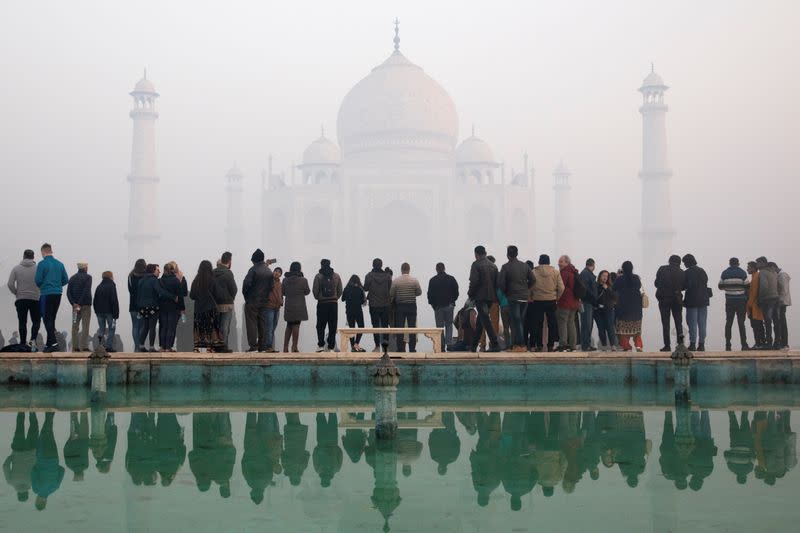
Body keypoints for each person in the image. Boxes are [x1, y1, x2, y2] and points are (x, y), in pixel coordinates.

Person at [498, 246, 535, 352]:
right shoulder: (525, 266)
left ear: (507, 255)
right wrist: (526, 289)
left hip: (513, 297)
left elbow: (501, 283)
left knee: (516, 321)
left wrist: (506, 292)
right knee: (520, 321)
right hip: (524, 297)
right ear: (517, 254)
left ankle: (520, 344)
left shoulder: (505, 267)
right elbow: (533, 279)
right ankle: (519, 344)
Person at [34, 244, 69, 353]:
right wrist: (57, 285)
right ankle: (49, 344)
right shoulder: (60, 264)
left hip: (46, 293)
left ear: (43, 252)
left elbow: (38, 280)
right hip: (58, 294)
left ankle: (53, 343)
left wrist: (44, 286)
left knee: (46, 318)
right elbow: (65, 279)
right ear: (51, 251)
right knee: (52, 318)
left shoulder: (42, 264)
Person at [468, 246, 501, 352]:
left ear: (476, 254)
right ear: (485, 253)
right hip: (491, 298)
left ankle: (495, 344)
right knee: (480, 321)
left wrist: (470, 294)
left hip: (480, 297)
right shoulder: (494, 266)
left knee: (485, 320)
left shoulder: (476, 264)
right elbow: (497, 284)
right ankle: (473, 346)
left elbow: (474, 281)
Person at [7, 249, 41, 351]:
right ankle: (32, 340)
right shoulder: (38, 268)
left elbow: (10, 284)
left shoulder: (16, 268)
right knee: (36, 321)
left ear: (23, 256)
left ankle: (22, 343)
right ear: (33, 257)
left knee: (22, 322)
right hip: (35, 299)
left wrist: (16, 293)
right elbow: (42, 282)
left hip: (21, 299)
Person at [530, 254, 564, 352]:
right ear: (549, 262)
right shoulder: (555, 272)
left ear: (539, 261)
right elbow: (561, 288)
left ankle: (539, 345)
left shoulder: (533, 272)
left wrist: (532, 295)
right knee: (552, 324)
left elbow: (530, 286)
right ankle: (550, 345)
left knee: (538, 324)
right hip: (551, 300)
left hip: (537, 300)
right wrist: (556, 297)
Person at [242, 249, 274, 352]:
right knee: (262, 324)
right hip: (264, 302)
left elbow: (246, 284)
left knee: (251, 323)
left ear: (254, 260)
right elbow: (271, 286)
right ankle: (262, 347)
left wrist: (246, 297)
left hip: (252, 301)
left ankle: (253, 346)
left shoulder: (253, 270)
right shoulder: (269, 271)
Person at [136, 264, 172, 352]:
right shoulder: (154, 280)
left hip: (142, 307)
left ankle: (141, 346)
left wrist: (138, 308)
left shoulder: (141, 280)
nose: (159, 272)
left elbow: (138, 295)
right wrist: (172, 296)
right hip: (152, 307)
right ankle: (151, 347)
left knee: (145, 327)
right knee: (152, 327)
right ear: (153, 271)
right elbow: (159, 291)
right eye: (157, 270)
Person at [190, 260, 224, 352]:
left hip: (198, 309)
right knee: (211, 327)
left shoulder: (196, 280)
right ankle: (210, 347)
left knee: (199, 327)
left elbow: (191, 296)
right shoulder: (213, 280)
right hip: (210, 309)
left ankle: (199, 347)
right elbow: (219, 295)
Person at [654, 255, 686, 352]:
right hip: (677, 300)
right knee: (678, 323)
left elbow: (656, 283)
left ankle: (667, 346)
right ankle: (680, 345)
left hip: (664, 300)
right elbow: (684, 287)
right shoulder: (682, 272)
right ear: (679, 262)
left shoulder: (662, 269)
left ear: (669, 261)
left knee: (665, 323)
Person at [718, 257, 750, 351]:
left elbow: (720, 286)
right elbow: (747, 286)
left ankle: (728, 345)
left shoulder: (725, 273)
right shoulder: (743, 273)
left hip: (729, 301)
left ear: (730, 263)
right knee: (741, 323)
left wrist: (729, 287)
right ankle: (744, 344)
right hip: (741, 301)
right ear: (738, 263)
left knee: (729, 322)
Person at [390, 263, 423, 352]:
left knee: (400, 328)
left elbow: (391, 294)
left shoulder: (396, 281)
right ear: (409, 269)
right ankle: (412, 348)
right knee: (412, 328)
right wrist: (412, 293)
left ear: (401, 270)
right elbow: (419, 292)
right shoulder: (414, 280)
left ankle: (400, 349)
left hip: (400, 307)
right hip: (411, 306)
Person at [427, 263, 460, 351]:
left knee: (439, 327)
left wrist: (433, 305)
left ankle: (441, 346)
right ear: (444, 268)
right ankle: (449, 344)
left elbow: (429, 295)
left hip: (438, 307)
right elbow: (456, 292)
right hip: (449, 305)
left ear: (436, 269)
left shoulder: (433, 280)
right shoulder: (451, 279)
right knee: (449, 325)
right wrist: (452, 302)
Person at [312, 259, 343, 353]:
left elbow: (315, 291)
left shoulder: (318, 276)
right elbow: (340, 290)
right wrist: (335, 298)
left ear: (321, 265)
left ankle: (321, 345)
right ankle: (331, 345)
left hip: (322, 303)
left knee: (320, 325)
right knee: (332, 325)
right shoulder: (336, 276)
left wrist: (319, 297)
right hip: (333, 304)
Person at [613, 261, 644, 352]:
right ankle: (638, 346)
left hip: (623, 308)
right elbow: (638, 287)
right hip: (636, 309)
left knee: (622, 331)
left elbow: (614, 288)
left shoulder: (620, 279)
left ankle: (627, 347)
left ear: (623, 269)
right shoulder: (636, 278)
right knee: (636, 330)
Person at [683, 254, 711, 352]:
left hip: (692, 300)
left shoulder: (687, 273)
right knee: (702, 323)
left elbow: (684, 286)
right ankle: (702, 344)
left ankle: (692, 344)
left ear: (687, 262)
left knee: (692, 323)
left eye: (684, 262)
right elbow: (705, 282)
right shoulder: (702, 271)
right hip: (703, 300)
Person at [364, 258, 392, 350]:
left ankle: (377, 346)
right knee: (385, 326)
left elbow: (366, 288)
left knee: (375, 326)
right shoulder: (388, 276)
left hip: (373, 305)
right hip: (385, 304)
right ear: (381, 265)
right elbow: (390, 289)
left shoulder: (369, 276)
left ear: (373, 265)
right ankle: (386, 346)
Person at [282, 262, 310, 352]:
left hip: (289, 305)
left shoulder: (285, 280)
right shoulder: (303, 280)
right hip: (299, 305)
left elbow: (283, 292)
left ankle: (285, 347)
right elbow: (307, 291)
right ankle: (294, 347)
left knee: (289, 325)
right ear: (299, 269)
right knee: (296, 325)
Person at [213, 252, 238, 353]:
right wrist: (230, 298)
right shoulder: (228, 273)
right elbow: (234, 289)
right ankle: (223, 347)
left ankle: (215, 347)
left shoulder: (212, 272)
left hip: (214, 304)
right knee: (225, 327)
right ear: (229, 261)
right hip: (227, 304)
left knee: (216, 326)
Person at [66, 262, 93, 352]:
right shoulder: (88, 277)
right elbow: (86, 291)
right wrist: (80, 304)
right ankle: (84, 347)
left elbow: (68, 293)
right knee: (85, 326)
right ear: (85, 268)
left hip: (75, 308)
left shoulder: (72, 278)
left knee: (74, 326)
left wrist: (74, 303)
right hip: (85, 306)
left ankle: (75, 347)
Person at [556, 255, 580, 352]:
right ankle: (573, 345)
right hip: (574, 303)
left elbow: (560, 287)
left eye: (561, 261)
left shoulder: (564, 273)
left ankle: (563, 345)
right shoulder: (574, 272)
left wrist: (557, 297)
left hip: (564, 302)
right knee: (571, 324)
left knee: (562, 323)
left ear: (567, 263)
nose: (559, 263)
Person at [158, 262, 184, 353]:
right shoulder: (175, 281)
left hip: (162, 307)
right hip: (173, 307)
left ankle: (162, 347)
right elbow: (180, 296)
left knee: (163, 327)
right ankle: (168, 348)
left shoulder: (160, 281)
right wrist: (182, 308)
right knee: (171, 328)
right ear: (172, 270)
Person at [93, 271, 120, 352]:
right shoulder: (112, 286)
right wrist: (116, 314)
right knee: (112, 329)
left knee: (101, 329)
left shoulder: (99, 286)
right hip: (110, 312)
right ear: (111, 277)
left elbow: (95, 300)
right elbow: (114, 300)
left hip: (99, 312)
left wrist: (96, 311)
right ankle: (108, 346)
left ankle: (100, 345)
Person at [756, 257, 779, 349]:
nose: (757, 265)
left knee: (768, 322)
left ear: (762, 263)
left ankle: (769, 343)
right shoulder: (773, 272)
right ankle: (777, 343)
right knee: (776, 321)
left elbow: (764, 286)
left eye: (758, 263)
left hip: (767, 299)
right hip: (776, 298)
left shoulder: (762, 272)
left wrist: (760, 298)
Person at [593, 270, 618, 351]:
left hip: (609, 310)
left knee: (610, 328)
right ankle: (603, 345)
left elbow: (615, 297)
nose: (605, 277)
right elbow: (593, 297)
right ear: (600, 276)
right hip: (598, 311)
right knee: (601, 329)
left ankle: (613, 345)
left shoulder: (611, 286)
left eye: (606, 276)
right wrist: (596, 306)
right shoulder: (595, 285)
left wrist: (607, 289)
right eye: (603, 275)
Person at [342, 275, 367, 352]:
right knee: (361, 327)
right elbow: (363, 301)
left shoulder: (346, 288)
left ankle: (353, 346)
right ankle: (356, 344)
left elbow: (343, 299)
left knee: (351, 328)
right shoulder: (360, 289)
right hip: (358, 310)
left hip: (349, 311)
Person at [127, 259, 147, 352]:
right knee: (142, 326)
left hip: (132, 305)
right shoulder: (145, 276)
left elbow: (130, 290)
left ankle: (136, 347)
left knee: (135, 326)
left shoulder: (130, 276)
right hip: (142, 304)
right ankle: (140, 345)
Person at [579, 259, 598, 351]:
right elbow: (585, 289)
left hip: (588, 302)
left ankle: (586, 344)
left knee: (588, 324)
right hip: (586, 302)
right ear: (593, 265)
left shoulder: (586, 273)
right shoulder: (586, 274)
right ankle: (585, 345)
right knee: (586, 324)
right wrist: (593, 298)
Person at [746, 261, 766, 349]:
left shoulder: (755, 277)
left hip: (754, 306)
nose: (747, 269)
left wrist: (749, 305)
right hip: (756, 305)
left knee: (756, 325)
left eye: (749, 267)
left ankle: (758, 343)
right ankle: (760, 342)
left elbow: (753, 293)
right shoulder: (755, 276)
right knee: (759, 324)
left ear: (754, 268)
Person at [264, 267, 283, 352]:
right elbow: (265, 274)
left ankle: (269, 345)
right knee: (269, 327)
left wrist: (282, 301)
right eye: (276, 271)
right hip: (269, 307)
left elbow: (281, 294)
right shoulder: (269, 280)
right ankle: (268, 346)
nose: (277, 273)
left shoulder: (280, 284)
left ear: (280, 275)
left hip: (277, 308)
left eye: (279, 272)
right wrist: (267, 265)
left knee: (273, 327)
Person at [776, 264, 791, 350]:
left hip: (781, 302)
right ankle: (783, 342)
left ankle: (784, 343)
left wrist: (779, 300)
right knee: (780, 322)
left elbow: (784, 290)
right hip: (781, 302)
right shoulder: (781, 275)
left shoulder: (782, 275)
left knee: (782, 322)